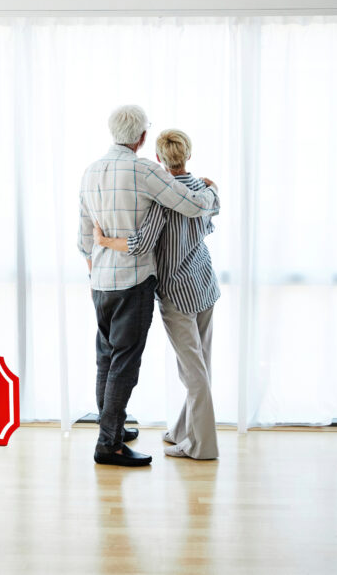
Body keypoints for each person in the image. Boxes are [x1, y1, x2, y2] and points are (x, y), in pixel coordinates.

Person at [78, 107, 219, 467]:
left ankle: (113, 429)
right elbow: (192, 205)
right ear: (141, 138)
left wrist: (98, 257)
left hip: (102, 283)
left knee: (106, 359)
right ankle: (109, 443)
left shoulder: (90, 170)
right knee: (125, 364)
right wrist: (210, 192)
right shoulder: (144, 171)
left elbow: (84, 235)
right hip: (136, 281)